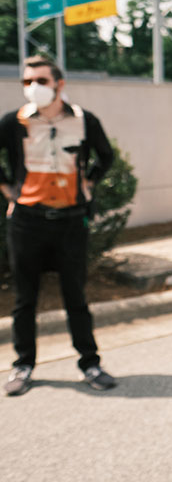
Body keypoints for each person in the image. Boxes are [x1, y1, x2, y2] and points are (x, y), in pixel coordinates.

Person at [0, 56, 116, 396]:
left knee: (75, 296)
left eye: (40, 80)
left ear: (59, 84)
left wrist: (89, 184)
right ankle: (23, 366)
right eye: (26, 81)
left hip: (70, 222)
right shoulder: (14, 122)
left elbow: (105, 156)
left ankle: (90, 363)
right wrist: (10, 192)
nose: (32, 87)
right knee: (25, 299)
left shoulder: (84, 120)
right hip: (27, 222)